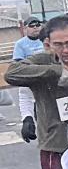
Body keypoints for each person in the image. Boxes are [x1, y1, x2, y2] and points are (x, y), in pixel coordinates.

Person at [7, 14, 68, 169]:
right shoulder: (41, 61)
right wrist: (57, 71)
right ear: (48, 44)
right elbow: (12, 73)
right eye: (59, 44)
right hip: (56, 143)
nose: (66, 50)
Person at [12, 13, 44, 141]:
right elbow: (18, 66)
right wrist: (26, 117)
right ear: (25, 28)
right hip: (31, 81)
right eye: (32, 25)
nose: (35, 27)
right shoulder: (21, 44)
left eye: (38, 25)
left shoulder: (47, 40)